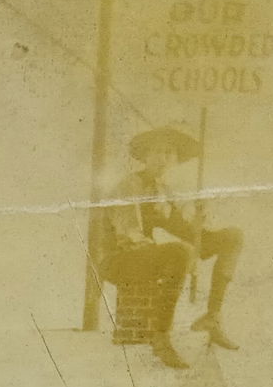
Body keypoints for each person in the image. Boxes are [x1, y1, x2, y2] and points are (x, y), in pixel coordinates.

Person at [100, 125, 244, 369]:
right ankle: (161, 336)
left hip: (142, 256)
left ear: (175, 159)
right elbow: (129, 235)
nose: (163, 158)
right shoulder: (130, 186)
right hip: (118, 259)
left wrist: (199, 224)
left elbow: (185, 230)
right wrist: (182, 256)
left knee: (232, 236)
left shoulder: (162, 191)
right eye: (157, 151)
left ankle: (212, 316)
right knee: (179, 252)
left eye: (169, 153)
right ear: (145, 156)